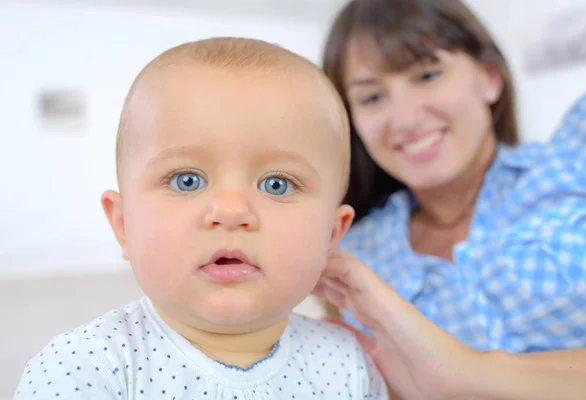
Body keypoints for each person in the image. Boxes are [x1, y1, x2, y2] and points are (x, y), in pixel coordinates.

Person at [13, 37, 388, 399]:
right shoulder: (85, 367)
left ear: (331, 234)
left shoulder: (347, 364)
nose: (230, 211)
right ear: (124, 225)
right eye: (186, 180)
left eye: (277, 184)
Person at [315, 0, 586, 398]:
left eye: (428, 74)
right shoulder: (351, 255)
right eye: (372, 98)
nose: (406, 118)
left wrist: (470, 372)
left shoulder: (583, 158)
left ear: (490, 78)